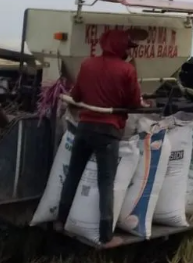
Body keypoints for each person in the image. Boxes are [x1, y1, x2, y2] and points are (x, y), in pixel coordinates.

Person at [53, 28, 146, 248]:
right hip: (108, 131)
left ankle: (60, 220)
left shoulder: (87, 64)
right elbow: (133, 104)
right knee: (106, 182)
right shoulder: (126, 70)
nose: (128, 52)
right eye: (127, 47)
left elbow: (76, 97)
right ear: (121, 47)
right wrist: (140, 104)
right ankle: (106, 236)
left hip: (84, 128)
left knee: (73, 174)